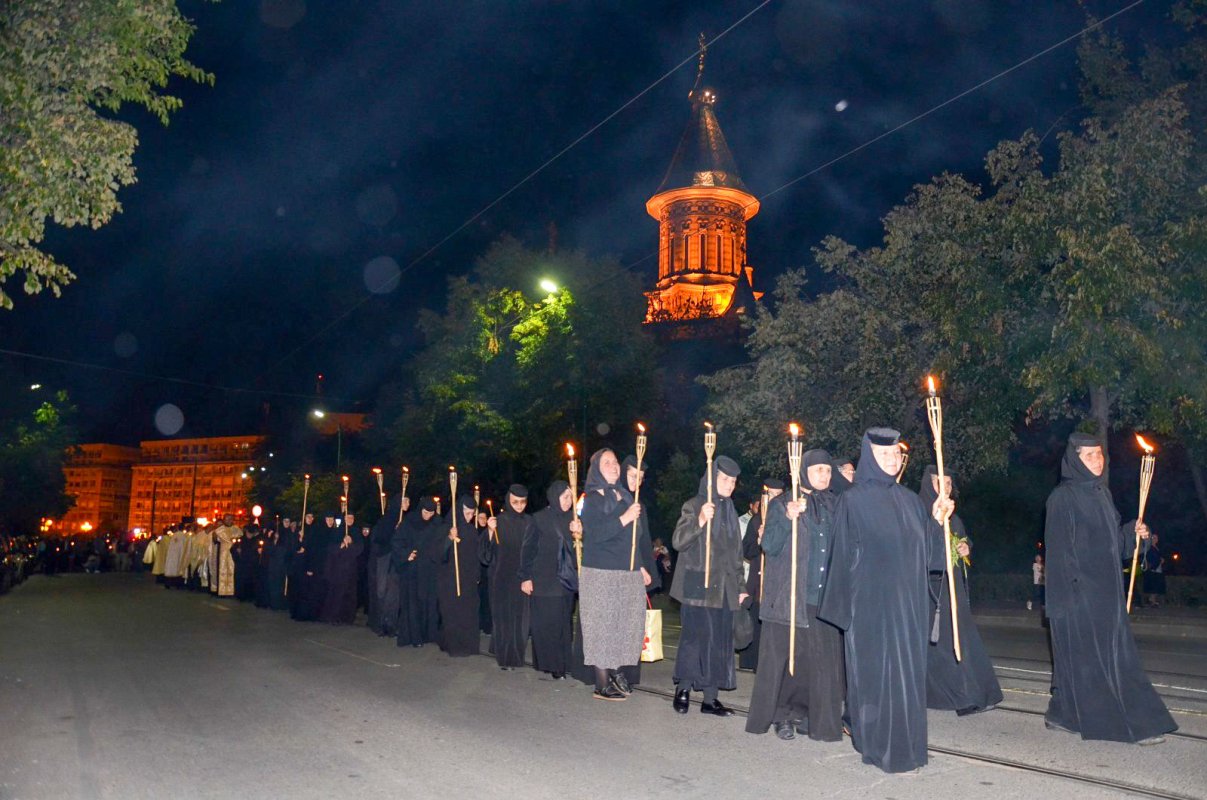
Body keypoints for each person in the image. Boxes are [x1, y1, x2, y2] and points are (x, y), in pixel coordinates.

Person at [818, 428, 953, 773]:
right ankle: (875, 743)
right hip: (870, 607)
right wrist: (843, 612)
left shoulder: (910, 500)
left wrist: (937, 521)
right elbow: (841, 556)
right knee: (875, 676)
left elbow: (928, 555)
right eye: (885, 455)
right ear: (870, 458)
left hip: (908, 606)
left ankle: (907, 745)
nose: (892, 460)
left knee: (907, 675)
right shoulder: (852, 500)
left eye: (896, 455)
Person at [1043, 432, 1176, 745]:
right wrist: (1069, 602)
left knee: (1107, 659)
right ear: (1075, 459)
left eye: (1100, 454)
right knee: (1097, 662)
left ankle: (1063, 714)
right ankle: (1125, 723)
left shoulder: (1102, 495)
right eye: (1089, 455)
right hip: (1081, 597)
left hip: (1107, 594)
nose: (1097, 460)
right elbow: (1060, 554)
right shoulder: (1062, 498)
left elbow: (1115, 546)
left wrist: (1133, 533)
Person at [747, 452, 844, 742]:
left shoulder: (835, 505)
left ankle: (814, 715)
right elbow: (770, 546)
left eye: (828, 470)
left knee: (819, 662)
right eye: (818, 470)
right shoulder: (781, 504)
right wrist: (788, 517)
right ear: (803, 471)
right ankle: (783, 714)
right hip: (790, 595)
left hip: (822, 596)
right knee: (788, 659)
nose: (825, 475)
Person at [917, 466, 1002, 716]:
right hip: (930, 591)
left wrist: (965, 547)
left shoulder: (954, 516)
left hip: (953, 588)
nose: (944, 488)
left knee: (963, 641)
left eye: (949, 483)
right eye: (938, 482)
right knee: (942, 646)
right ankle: (962, 696)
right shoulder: (917, 512)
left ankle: (978, 691)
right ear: (927, 484)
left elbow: (961, 540)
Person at [670, 454, 746, 717]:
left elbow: (735, 554)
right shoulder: (694, 505)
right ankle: (684, 688)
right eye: (724, 479)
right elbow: (679, 541)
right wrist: (700, 521)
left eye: (733, 481)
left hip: (724, 587)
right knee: (694, 639)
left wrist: (740, 585)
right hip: (697, 584)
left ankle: (710, 699)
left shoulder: (731, 511)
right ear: (713, 479)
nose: (728, 484)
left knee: (719, 641)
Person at [578, 450, 647, 700]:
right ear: (596, 468)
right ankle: (601, 683)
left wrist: (640, 565)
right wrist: (625, 517)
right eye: (607, 462)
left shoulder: (627, 496)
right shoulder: (591, 499)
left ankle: (617, 672)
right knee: (602, 627)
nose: (614, 466)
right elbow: (594, 533)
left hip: (626, 572)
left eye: (615, 462)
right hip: (600, 571)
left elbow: (635, 539)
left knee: (624, 625)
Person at [519, 481, 578, 678]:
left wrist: (579, 534)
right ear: (554, 496)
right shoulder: (539, 519)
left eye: (571, 497)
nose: (569, 501)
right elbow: (528, 550)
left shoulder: (575, 519)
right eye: (565, 497)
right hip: (544, 579)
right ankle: (552, 665)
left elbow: (580, 550)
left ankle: (563, 663)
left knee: (564, 623)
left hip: (566, 581)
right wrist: (525, 577)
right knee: (547, 625)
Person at [481, 485, 532, 669]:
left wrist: (530, 576)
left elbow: (533, 551)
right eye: (515, 502)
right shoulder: (498, 522)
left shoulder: (529, 522)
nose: (519, 505)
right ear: (508, 501)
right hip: (501, 578)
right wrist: (488, 531)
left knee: (520, 620)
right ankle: (504, 658)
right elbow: (485, 556)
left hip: (521, 578)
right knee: (503, 619)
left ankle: (517, 657)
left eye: (523, 502)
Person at [738, 479, 783, 673]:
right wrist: (758, 540)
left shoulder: (787, 518)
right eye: (769, 494)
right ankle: (755, 662)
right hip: (759, 582)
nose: (772, 499)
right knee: (758, 622)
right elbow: (746, 550)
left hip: (780, 582)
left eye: (777, 495)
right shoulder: (757, 520)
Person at [434, 495, 483, 657]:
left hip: (468, 579)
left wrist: (477, 574)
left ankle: (468, 645)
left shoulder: (472, 530)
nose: (469, 517)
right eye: (467, 513)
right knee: (452, 612)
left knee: (468, 612)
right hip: (450, 579)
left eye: (472, 514)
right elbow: (436, 555)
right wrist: (449, 539)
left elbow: (476, 555)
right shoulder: (446, 527)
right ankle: (453, 645)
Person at [394, 497, 441, 648]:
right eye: (426, 512)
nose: (428, 516)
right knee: (414, 603)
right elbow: (397, 542)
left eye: (431, 513)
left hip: (430, 570)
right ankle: (415, 636)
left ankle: (430, 634)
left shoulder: (437, 522)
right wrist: (406, 554)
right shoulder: (409, 522)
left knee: (430, 602)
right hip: (413, 570)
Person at [368, 495, 406, 636]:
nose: (407, 503)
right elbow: (379, 539)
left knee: (394, 595)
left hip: (396, 562)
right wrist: (393, 531)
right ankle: (380, 623)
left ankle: (391, 624)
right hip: (384, 560)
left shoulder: (405, 520)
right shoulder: (387, 519)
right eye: (404, 500)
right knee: (382, 592)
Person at [320, 513, 364, 625]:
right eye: (348, 517)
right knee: (336, 593)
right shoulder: (337, 532)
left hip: (351, 568)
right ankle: (333, 616)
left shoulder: (355, 532)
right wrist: (341, 544)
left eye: (352, 518)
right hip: (338, 568)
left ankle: (347, 617)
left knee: (350, 594)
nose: (350, 519)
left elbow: (360, 549)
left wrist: (351, 543)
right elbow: (330, 549)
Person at [1142, 533, 1166, 608]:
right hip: (1153, 569)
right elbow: (1151, 558)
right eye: (1153, 538)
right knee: (1153, 585)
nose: (1155, 539)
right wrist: (1159, 560)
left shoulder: (1157, 548)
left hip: (1158, 569)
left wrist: (1161, 560)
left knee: (1158, 585)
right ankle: (1151, 601)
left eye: (1156, 538)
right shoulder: (1150, 548)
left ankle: (1153, 600)